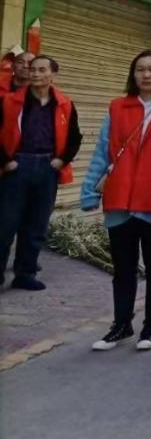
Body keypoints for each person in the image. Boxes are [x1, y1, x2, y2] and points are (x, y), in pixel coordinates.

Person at [81, 51, 151, 351]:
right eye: (140, 69)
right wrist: (89, 191)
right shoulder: (118, 107)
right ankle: (121, 324)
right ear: (133, 74)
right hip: (120, 200)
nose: (146, 75)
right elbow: (102, 152)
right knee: (123, 268)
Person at [0, 55, 82, 290]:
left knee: (36, 225)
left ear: (53, 74)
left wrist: (61, 161)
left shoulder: (65, 104)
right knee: (5, 224)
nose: (35, 73)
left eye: (42, 70)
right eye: (33, 69)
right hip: (17, 166)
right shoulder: (10, 101)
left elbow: (75, 138)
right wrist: (6, 161)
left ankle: (25, 273)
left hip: (47, 168)